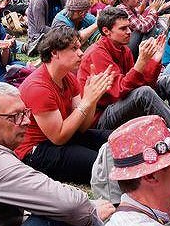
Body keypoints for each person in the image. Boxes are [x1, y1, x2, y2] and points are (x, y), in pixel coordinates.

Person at [0, 82, 115, 226]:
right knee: (62, 215)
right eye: (16, 116)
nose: (27, 121)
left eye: (25, 112)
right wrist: (92, 211)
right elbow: (71, 205)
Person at [79, 7, 170, 140]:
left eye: (129, 27)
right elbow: (120, 92)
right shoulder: (96, 54)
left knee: (167, 80)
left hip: (120, 103)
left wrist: (154, 62)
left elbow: (138, 85)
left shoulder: (124, 50)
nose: (129, 32)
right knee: (144, 93)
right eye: (123, 29)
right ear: (106, 31)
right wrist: (140, 62)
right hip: (101, 118)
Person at [16, 26, 114, 184]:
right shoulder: (38, 87)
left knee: (116, 140)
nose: (81, 53)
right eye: (74, 48)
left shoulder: (68, 77)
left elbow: (82, 127)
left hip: (62, 137)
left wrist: (93, 99)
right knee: (103, 165)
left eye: (79, 47)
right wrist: (87, 101)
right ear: (54, 52)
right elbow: (59, 137)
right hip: (37, 150)